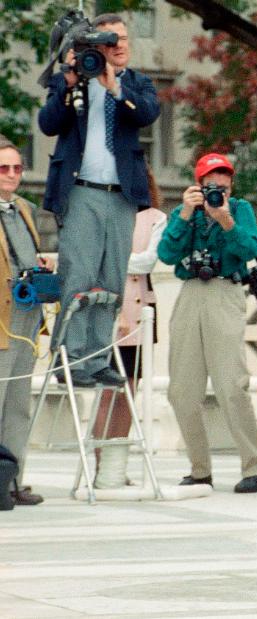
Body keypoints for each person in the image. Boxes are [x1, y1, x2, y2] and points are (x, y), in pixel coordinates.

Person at [38, 13, 160, 388]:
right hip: (81, 190)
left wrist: (114, 90)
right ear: (95, 45)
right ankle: (68, 360)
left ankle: (95, 359)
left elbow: (148, 115)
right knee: (79, 275)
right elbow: (47, 123)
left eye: (123, 39)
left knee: (111, 281)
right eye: (110, 40)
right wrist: (71, 83)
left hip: (122, 195)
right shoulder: (73, 79)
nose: (118, 45)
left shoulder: (137, 84)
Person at [157, 153, 257, 493]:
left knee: (231, 385)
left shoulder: (240, 209)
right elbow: (166, 254)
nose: (218, 189)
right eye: (211, 183)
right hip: (190, 291)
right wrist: (187, 213)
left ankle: (254, 468)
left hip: (224, 291)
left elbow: (251, 247)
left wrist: (226, 221)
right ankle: (199, 468)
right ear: (198, 184)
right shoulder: (183, 213)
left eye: (224, 182)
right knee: (181, 390)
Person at [91, 168, 166, 489]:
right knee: (107, 392)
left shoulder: (156, 217)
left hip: (140, 312)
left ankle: (116, 467)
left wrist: (115, 259)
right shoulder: (100, 214)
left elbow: (148, 262)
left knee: (129, 392)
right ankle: (98, 467)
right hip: (107, 314)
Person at [0, 136, 51, 507]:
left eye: (18, 168)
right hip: (1, 316)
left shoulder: (25, 209)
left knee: (19, 403)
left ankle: (14, 479)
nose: (13, 175)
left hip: (27, 314)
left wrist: (39, 267)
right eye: (4, 168)